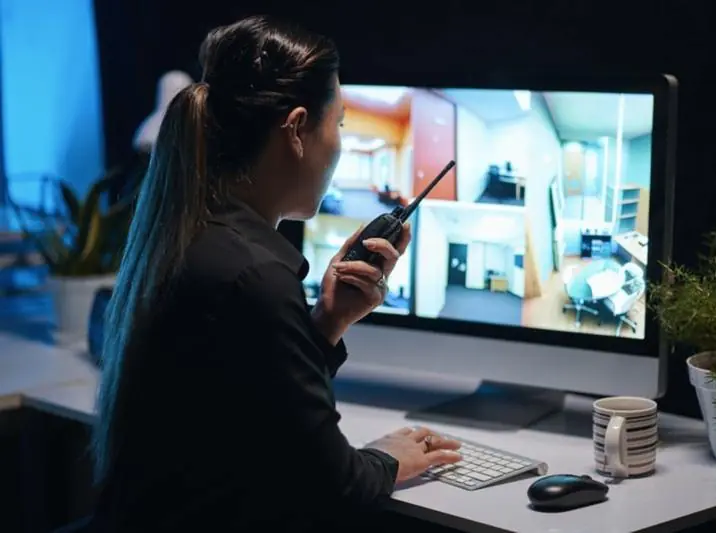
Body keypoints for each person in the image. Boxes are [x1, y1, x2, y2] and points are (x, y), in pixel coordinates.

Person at [90, 15, 462, 533]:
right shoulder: (254, 274)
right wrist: (389, 458)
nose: (339, 145)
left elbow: (250, 412)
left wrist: (327, 323)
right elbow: (334, 485)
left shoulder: (193, 232)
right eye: (339, 127)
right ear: (296, 129)